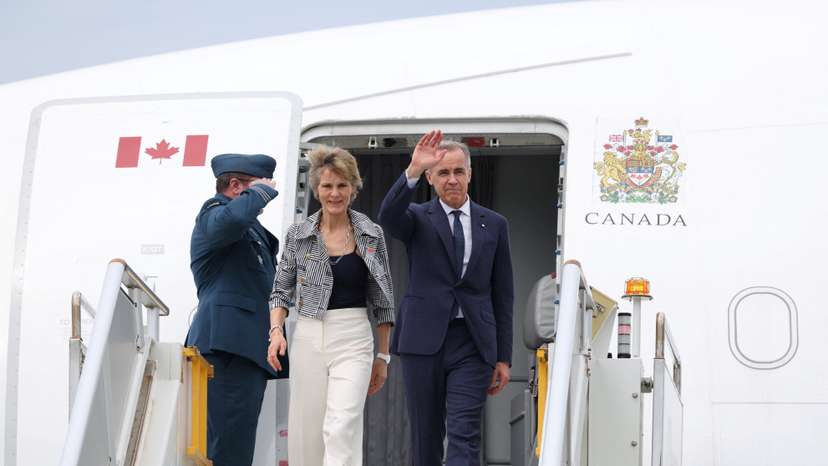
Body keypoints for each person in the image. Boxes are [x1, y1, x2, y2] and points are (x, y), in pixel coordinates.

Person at [378, 130, 514, 466]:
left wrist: (503, 356)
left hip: (472, 341)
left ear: (469, 174)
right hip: (423, 341)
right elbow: (387, 217)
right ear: (430, 177)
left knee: (464, 431)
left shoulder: (494, 224)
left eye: (457, 171)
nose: (451, 180)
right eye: (443, 172)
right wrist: (410, 169)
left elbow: (503, 293)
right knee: (425, 436)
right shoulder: (417, 217)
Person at [268, 145, 395, 466]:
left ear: (354, 189)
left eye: (342, 185)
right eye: (327, 186)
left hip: (353, 338)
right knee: (308, 434)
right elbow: (280, 291)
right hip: (309, 336)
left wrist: (383, 355)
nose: (334, 193)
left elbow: (383, 300)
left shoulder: (370, 234)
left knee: (340, 428)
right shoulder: (299, 234)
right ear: (316, 188)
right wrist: (276, 330)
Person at [185, 153, 289, 466]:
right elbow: (227, 223)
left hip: (242, 349)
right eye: (261, 186)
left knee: (235, 447)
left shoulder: (250, 232)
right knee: (227, 450)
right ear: (235, 186)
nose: (268, 193)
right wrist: (256, 194)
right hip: (227, 348)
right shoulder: (214, 213)